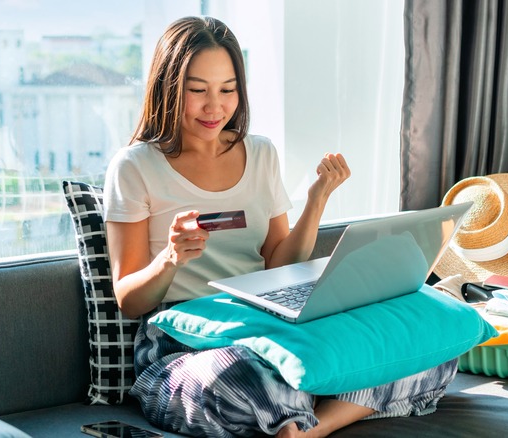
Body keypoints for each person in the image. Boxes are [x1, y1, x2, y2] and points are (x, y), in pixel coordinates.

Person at [104, 16, 457, 437]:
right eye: (197, 91)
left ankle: (307, 427)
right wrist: (170, 259)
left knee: (427, 341)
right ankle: (310, 403)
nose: (214, 107)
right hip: (183, 342)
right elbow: (128, 299)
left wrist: (317, 199)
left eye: (228, 90)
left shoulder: (260, 153)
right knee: (242, 376)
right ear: (168, 88)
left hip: (265, 326)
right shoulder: (135, 166)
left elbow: (279, 262)